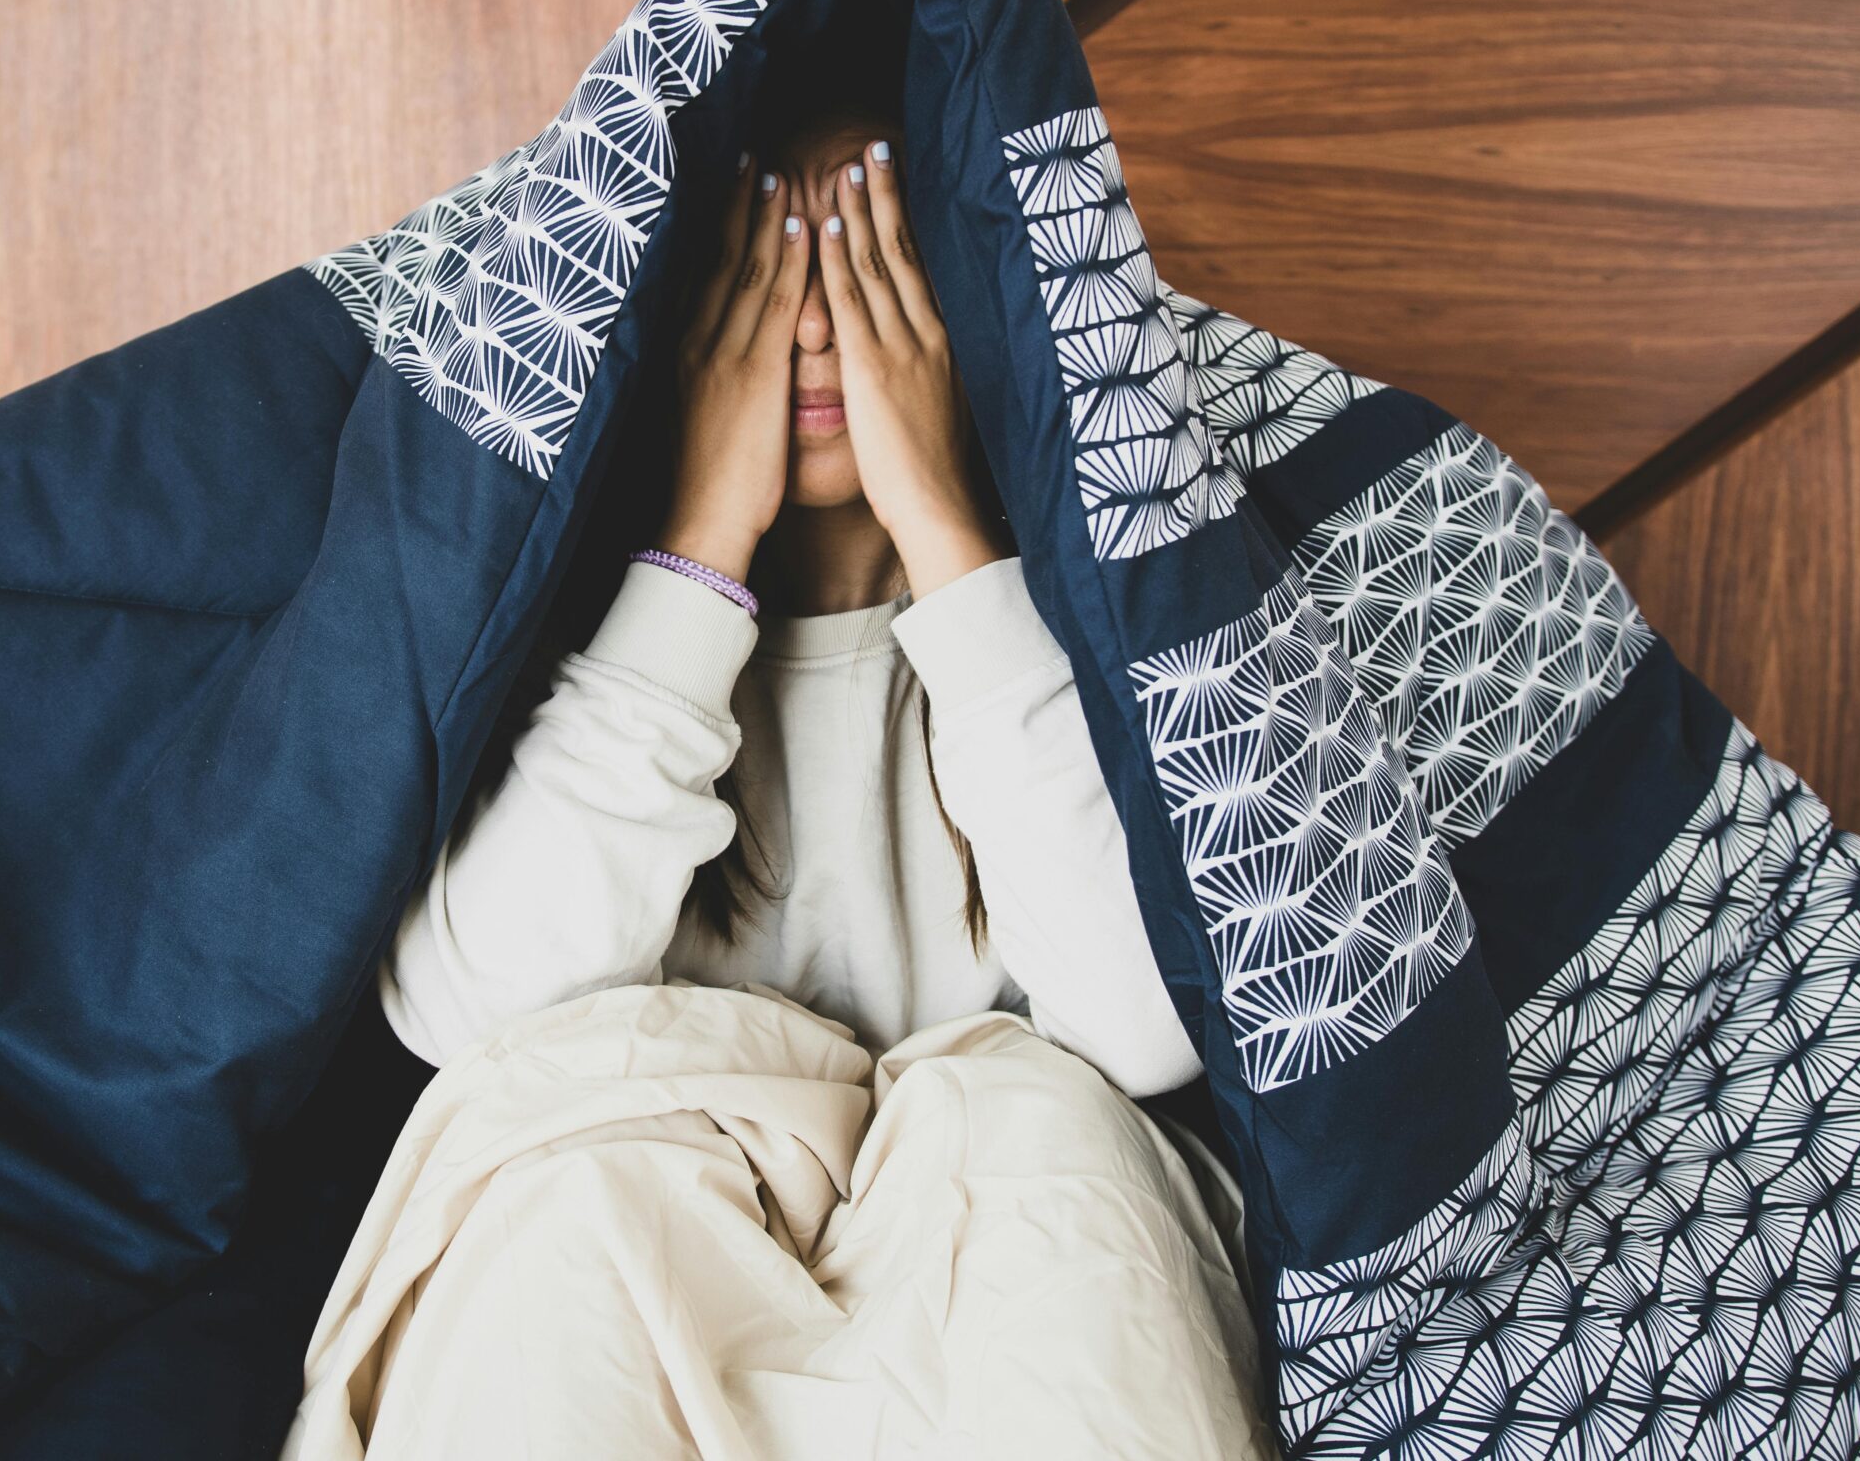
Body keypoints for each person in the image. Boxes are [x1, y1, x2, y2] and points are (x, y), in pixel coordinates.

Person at [286, 87, 1274, 1461]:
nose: (814, 316)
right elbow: (473, 1016)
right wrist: (702, 542)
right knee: (576, 1183)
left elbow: (1146, 1025)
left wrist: (943, 527)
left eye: (870, 252)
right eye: (769, 254)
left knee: (1052, 1133)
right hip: (642, 1227)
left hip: (980, 1272)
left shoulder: (1066, 642)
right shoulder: (557, 632)